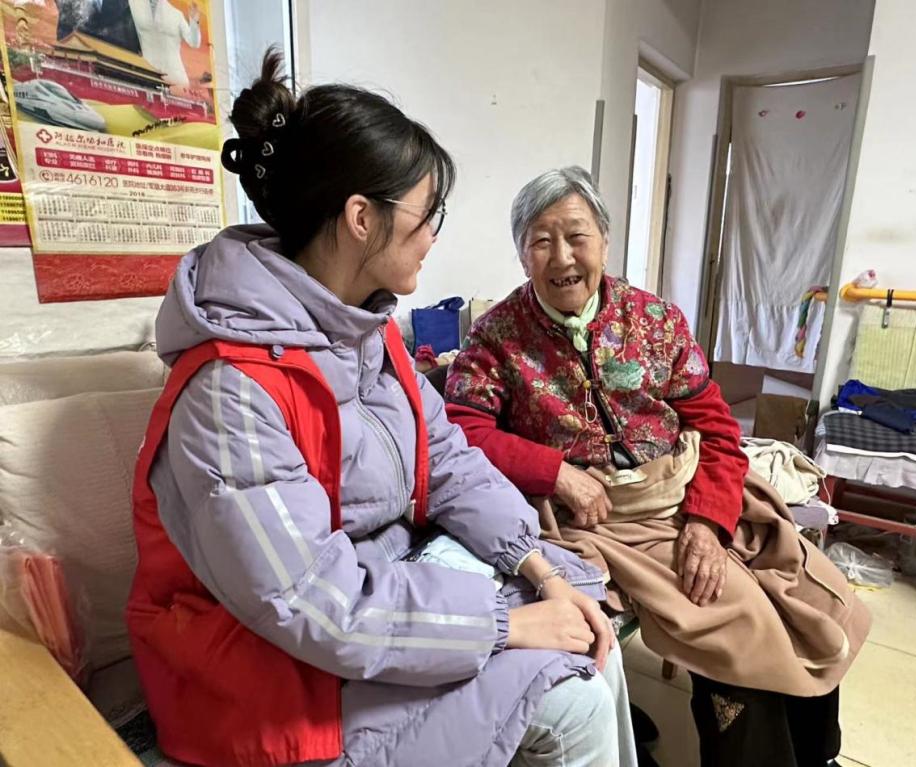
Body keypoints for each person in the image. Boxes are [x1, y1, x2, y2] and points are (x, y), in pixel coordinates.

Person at [126, 54, 638, 767]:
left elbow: (448, 457)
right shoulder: (229, 390)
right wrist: (505, 623)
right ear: (362, 218)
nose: (434, 236)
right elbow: (311, 600)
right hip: (264, 674)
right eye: (428, 215)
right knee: (574, 699)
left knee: (591, 640)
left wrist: (538, 566)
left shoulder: (370, 332)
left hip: (375, 609)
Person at [444, 166, 871, 767]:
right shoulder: (496, 337)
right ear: (522, 255)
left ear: (604, 240)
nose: (562, 257)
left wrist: (708, 521)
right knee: (737, 622)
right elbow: (462, 432)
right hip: (599, 520)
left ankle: (816, 753)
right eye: (541, 241)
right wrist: (555, 471)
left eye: (577, 236)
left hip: (684, 488)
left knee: (811, 591)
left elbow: (716, 427)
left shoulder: (655, 320)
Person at [127, 0, 201, 86]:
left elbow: (194, 43)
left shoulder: (176, 15)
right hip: (147, 74)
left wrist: (194, 21)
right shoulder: (134, 6)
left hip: (174, 79)